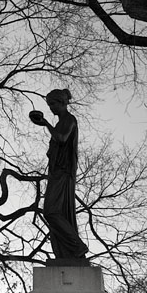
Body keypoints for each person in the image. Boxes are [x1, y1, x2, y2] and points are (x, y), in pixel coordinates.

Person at [30, 89, 88, 260]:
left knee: (51, 212)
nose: (51, 108)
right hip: (56, 171)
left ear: (62, 102)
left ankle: (77, 246)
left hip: (63, 172)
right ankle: (66, 252)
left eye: (53, 104)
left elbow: (62, 138)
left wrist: (46, 124)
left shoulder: (70, 119)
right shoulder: (61, 122)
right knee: (55, 212)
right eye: (49, 105)